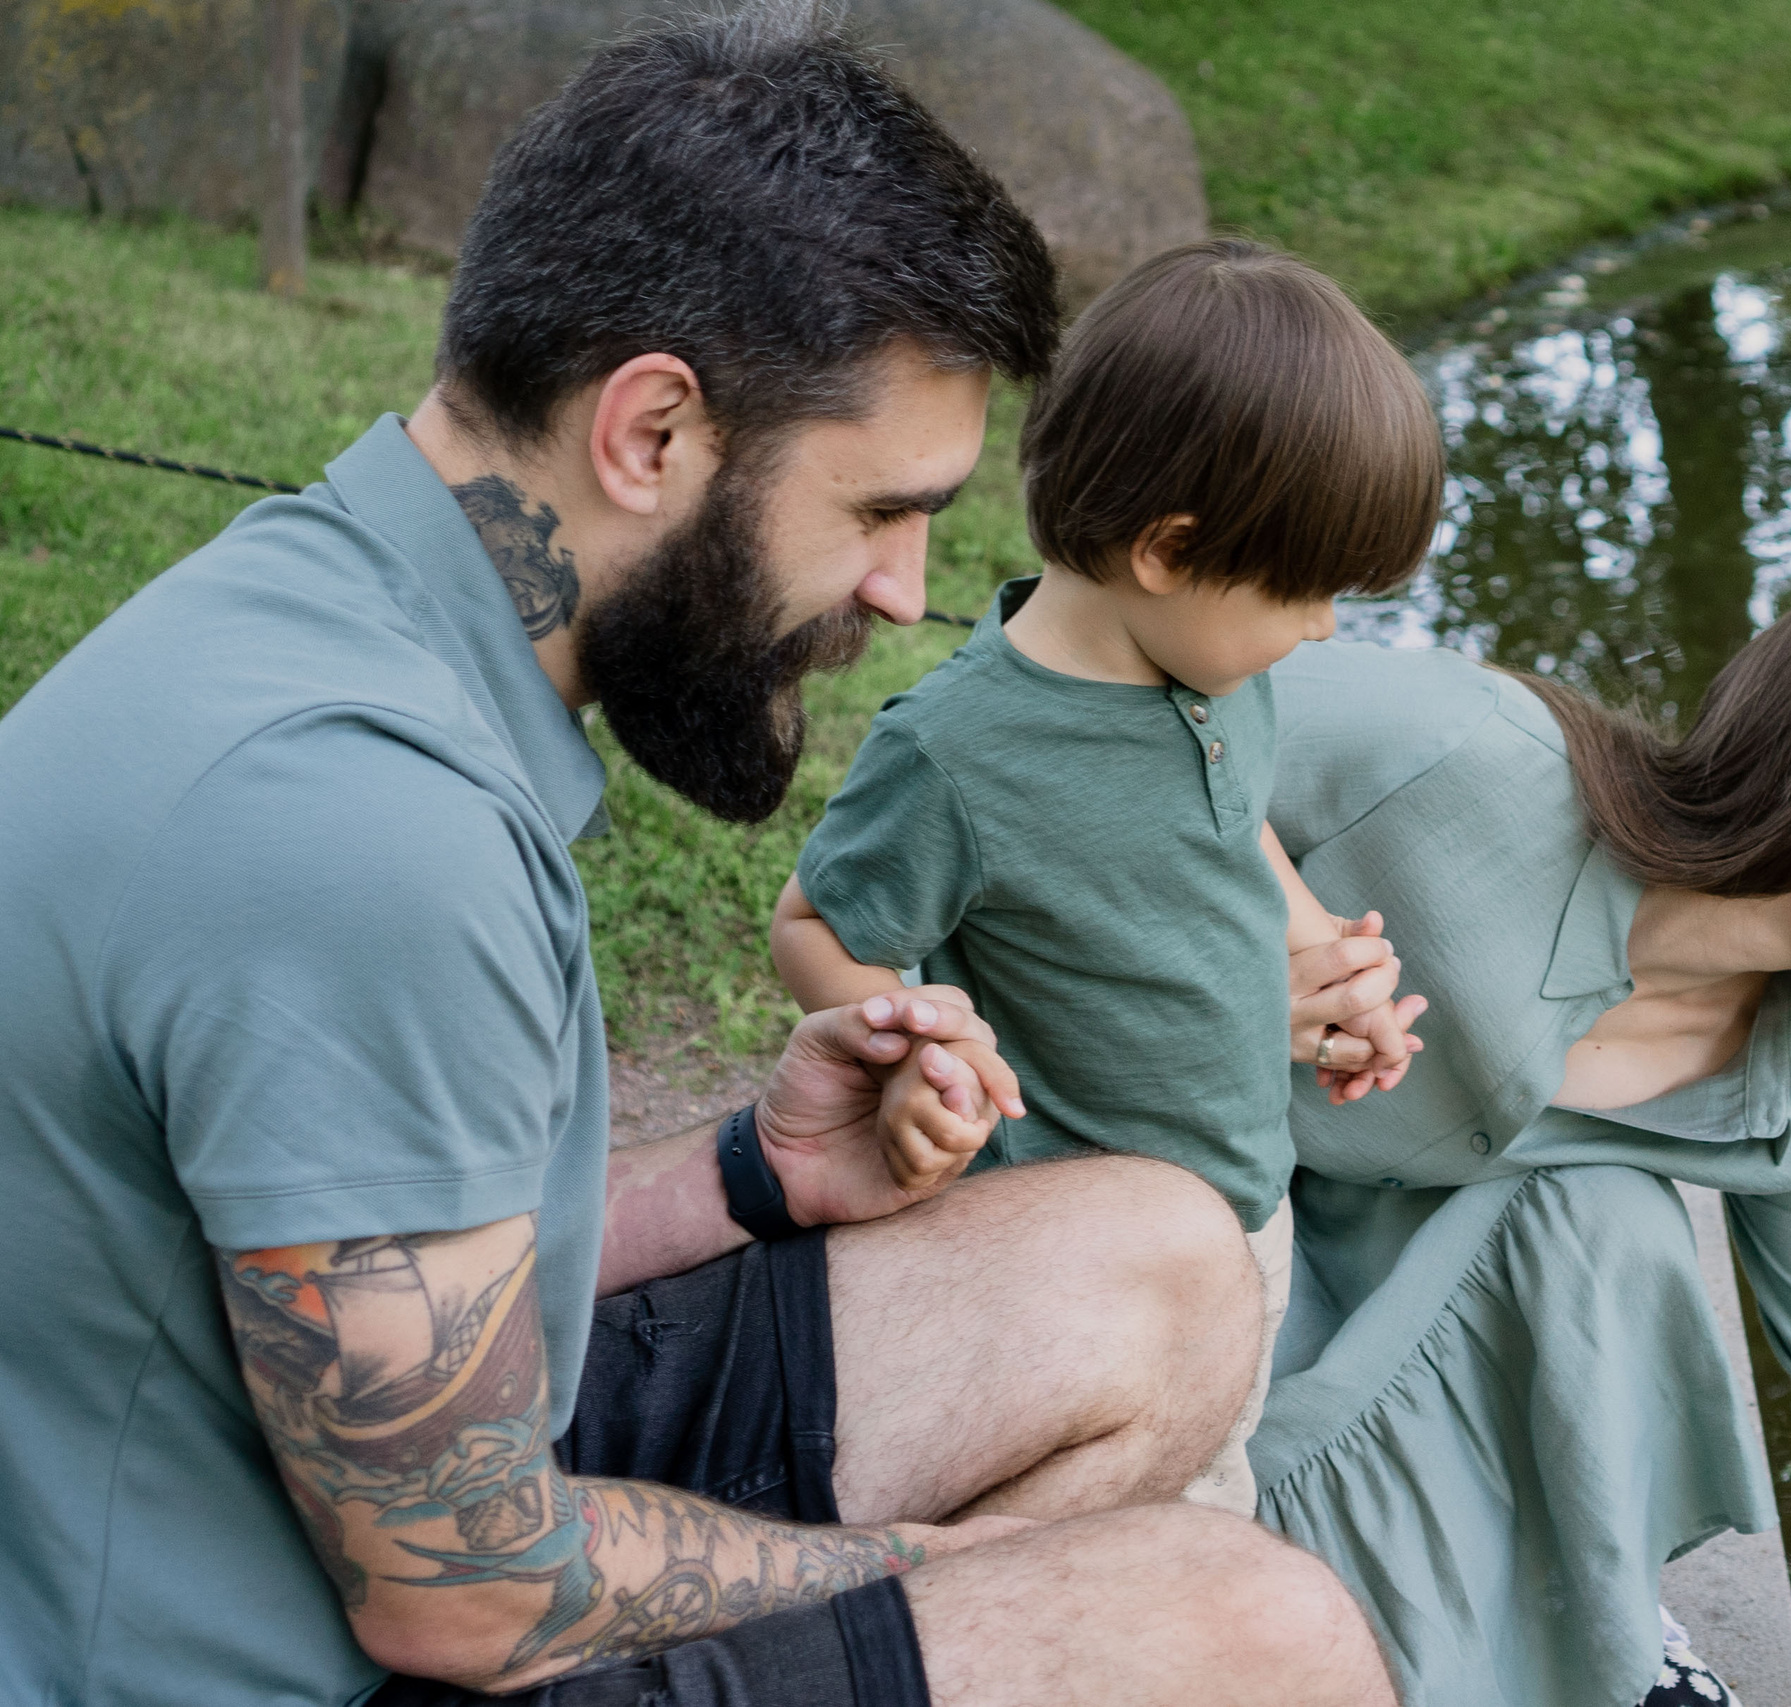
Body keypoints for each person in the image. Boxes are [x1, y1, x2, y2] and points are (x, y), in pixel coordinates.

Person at [0, 15, 1394, 1707]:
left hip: (324, 1488)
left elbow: (374, 1255)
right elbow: (470, 1597)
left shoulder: (342, 610)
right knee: (1249, 1630)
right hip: (291, 1641)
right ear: (652, 432)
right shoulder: (365, 841)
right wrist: (968, 1576)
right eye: (881, 509)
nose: (902, 594)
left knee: (1161, 1257)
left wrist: (749, 1174)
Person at [1254, 564, 1791, 1707]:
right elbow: (1124, 684)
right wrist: (1282, 927)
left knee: (1603, 1223)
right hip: (1122, 1188)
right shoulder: (1468, 757)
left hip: (1337, 1344)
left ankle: (1564, 1620)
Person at [769, 238, 1440, 1514]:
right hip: (1075, 1267)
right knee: (1114, 1534)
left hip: (1243, 1212)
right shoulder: (961, 754)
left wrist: (1319, 964)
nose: (1322, 630)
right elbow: (816, 923)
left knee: (1214, 1472)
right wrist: (904, 1048)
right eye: (1303, 592)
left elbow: (1234, 832)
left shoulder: (1207, 680)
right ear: (1169, 553)